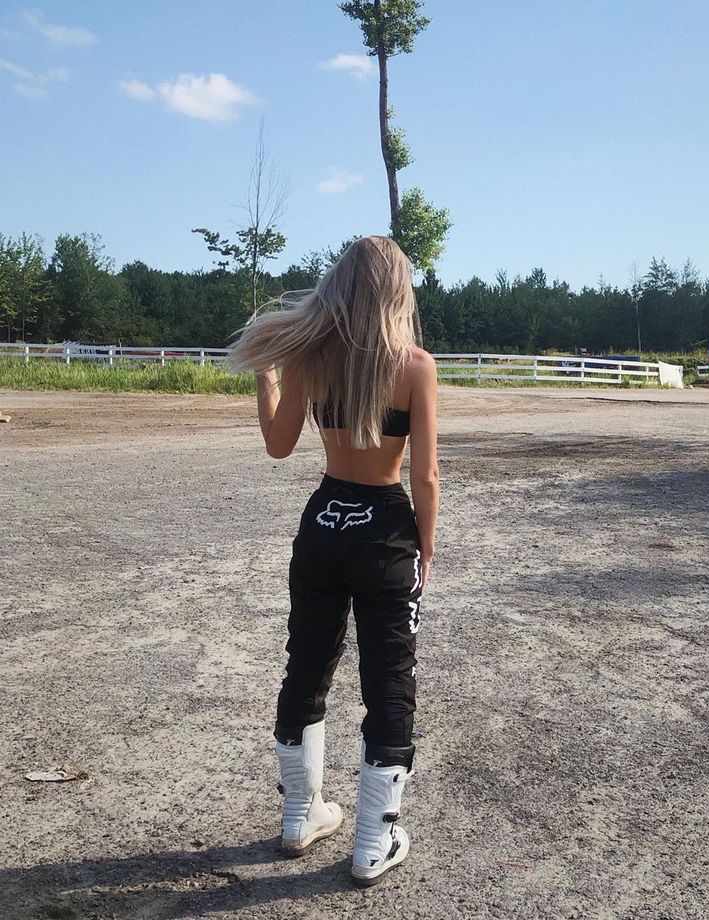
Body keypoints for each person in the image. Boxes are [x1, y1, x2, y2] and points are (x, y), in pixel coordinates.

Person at [227, 235, 439, 886]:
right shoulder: (414, 365)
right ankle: (374, 842)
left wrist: (266, 375)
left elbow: (278, 444)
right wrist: (425, 551)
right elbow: (425, 476)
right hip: (384, 529)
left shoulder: (310, 362)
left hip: (322, 524)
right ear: (397, 292)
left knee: (308, 665)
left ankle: (300, 815)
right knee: (389, 681)